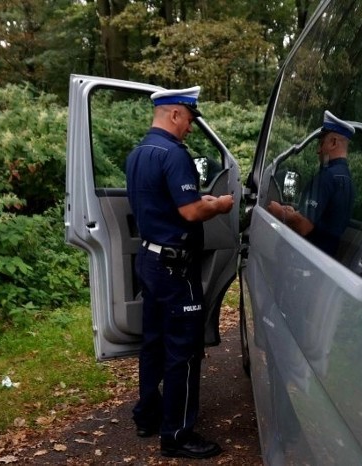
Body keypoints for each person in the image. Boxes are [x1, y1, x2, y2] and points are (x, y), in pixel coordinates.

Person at [125, 85, 234, 459]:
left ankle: (147, 415)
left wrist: (194, 201)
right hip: (175, 269)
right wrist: (218, 204)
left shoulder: (139, 153)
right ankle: (177, 435)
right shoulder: (174, 155)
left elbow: (166, 202)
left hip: (149, 261)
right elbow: (189, 213)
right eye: (188, 119)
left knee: (152, 343)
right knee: (183, 352)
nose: (189, 127)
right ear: (175, 114)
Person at [268, 110, 356, 257]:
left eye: (321, 143)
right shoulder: (346, 178)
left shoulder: (327, 176)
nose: (318, 150)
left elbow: (304, 226)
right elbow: (326, 219)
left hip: (308, 259)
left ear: (333, 142)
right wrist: (295, 212)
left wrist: (279, 212)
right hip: (326, 259)